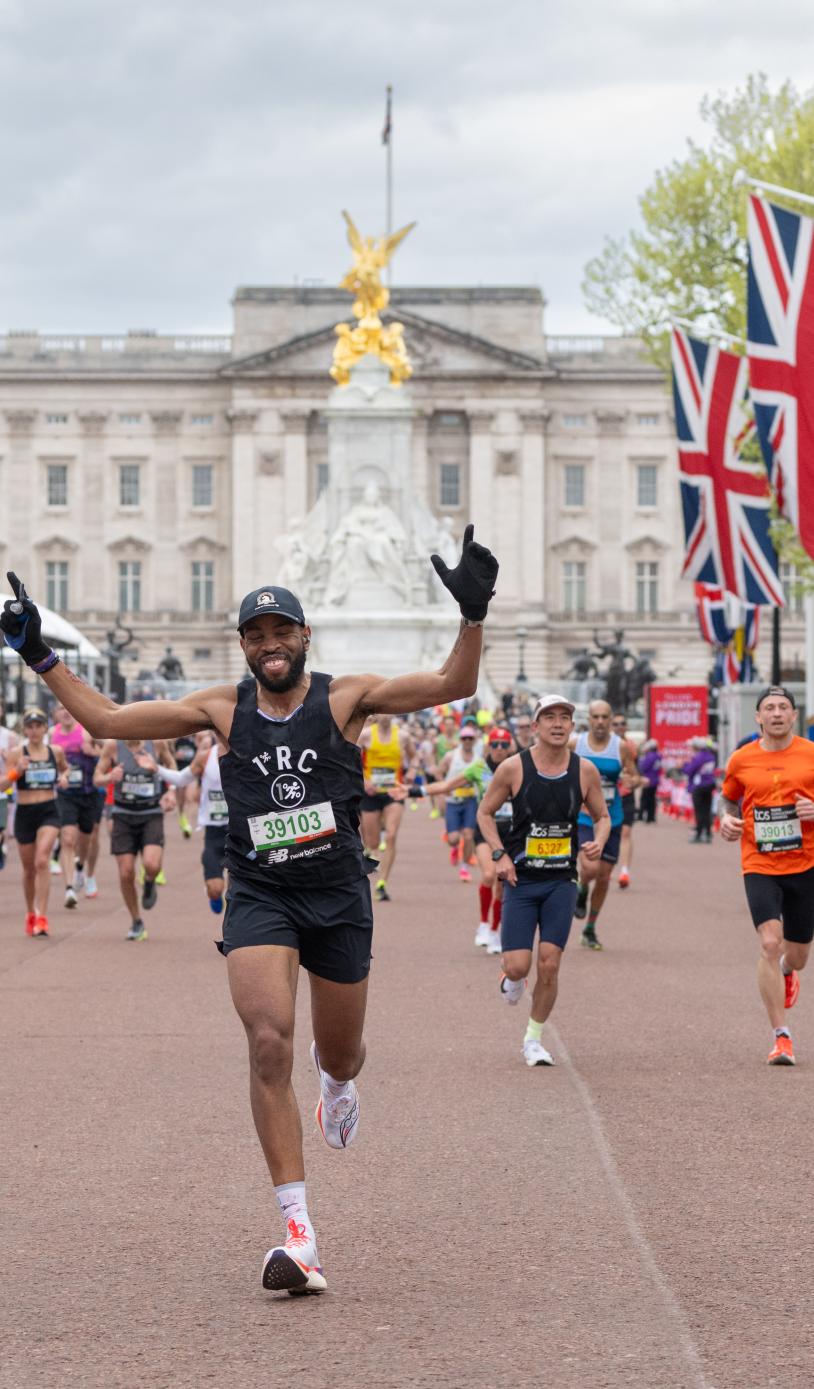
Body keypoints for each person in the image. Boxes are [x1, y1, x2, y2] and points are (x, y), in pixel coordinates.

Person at [1, 525, 498, 1294]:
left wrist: (472, 614)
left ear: (304, 635)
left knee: (341, 1052)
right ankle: (299, 1235)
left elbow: (449, 686)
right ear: (243, 645)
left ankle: (336, 1082)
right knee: (268, 1039)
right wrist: (39, 656)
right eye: (256, 634)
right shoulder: (220, 710)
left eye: (281, 631)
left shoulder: (347, 697)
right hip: (260, 891)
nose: (270, 644)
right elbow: (106, 720)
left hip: (336, 895)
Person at [477, 695, 610, 1065]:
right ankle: (513, 979)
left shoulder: (585, 771)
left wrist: (597, 841)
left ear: (572, 726)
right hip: (521, 880)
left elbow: (602, 816)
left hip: (561, 881)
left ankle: (533, 1039)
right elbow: (485, 813)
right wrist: (499, 854)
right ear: (534, 726)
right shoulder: (513, 768)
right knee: (518, 965)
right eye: (549, 717)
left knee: (549, 963)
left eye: (564, 717)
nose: (557, 723)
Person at [719, 686, 814, 1066]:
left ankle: (789, 972)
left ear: (794, 716)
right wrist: (726, 818)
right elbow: (729, 797)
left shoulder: (811, 754)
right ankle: (781, 1036)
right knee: (769, 943)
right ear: (758, 717)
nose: (776, 714)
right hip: (759, 861)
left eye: (783, 708)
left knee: (797, 954)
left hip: (806, 862)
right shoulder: (741, 759)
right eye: (769, 708)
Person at [422, 724, 516, 952]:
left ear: (510, 747)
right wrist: (415, 791)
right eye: (495, 744)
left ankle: (495, 931)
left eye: (504, 745)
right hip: (485, 830)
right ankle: (483, 924)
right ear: (488, 746)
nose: (500, 749)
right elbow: (447, 785)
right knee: (488, 874)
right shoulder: (479, 767)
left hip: (511, 833)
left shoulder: (517, 767)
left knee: (502, 886)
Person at [93, 737, 178, 941]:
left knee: (151, 865)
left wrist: (171, 792)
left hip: (151, 811)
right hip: (123, 813)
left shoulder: (156, 744)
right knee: (126, 872)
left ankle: (149, 882)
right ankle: (136, 920)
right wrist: (109, 777)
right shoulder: (113, 746)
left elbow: (172, 765)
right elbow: (97, 778)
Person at [571, 699, 639, 950]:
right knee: (589, 868)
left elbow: (634, 774)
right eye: (595, 717)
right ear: (589, 719)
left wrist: (631, 781)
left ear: (611, 720)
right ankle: (580, 889)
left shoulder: (620, 747)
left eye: (604, 717)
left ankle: (590, 928)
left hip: (612, 818)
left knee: (603, 876)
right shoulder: (575, 744)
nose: (600, 722)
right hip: (584, 817)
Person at [0, 707, 69, 935]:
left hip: (48, 810)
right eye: (30, 726)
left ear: (44, 728)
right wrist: (16, 772)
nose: (34, 730)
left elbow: (65, 769)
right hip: (25, 813)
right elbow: (4, 786)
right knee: (29, 869)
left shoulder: (55, 751)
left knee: (42, 860)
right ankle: (30, 912)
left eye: (38, 726)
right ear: (25, 729)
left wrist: (64, 778)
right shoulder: (16, 754)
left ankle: (43, 916)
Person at [159, 731, 227, 913]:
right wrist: (155, 768)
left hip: (242, 833)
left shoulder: (249, 752)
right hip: (215, 832)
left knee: (240, 891)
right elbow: (181, 778)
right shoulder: (206, 756)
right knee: (215, 889)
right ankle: (213, 894)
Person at [49, 703, 102, 908]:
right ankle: (70, 888)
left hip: (89, 794)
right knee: (68, 839)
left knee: (86, 840)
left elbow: (108, 754)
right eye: (61, 708)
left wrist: (92, 752)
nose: (66, 711)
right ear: (56, 714)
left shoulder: (86, 732)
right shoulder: (52, 736)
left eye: (68, 707)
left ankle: (83, 870)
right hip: (66, 794)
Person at [358, 714, 414, 901]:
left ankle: (382, 883)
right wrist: (364, 781)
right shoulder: (366, 735)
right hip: (371, 793)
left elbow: (414, 758)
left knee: (390, 835)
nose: (385, 715)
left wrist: (412, 771)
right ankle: (370, 854)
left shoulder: (403, 736)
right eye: (381, 711)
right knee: (372, 843)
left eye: (388, 711)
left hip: (394, 792)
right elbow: (350, 757)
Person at [437, 722, 481, 881]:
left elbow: (485, 779)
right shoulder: (451, 756)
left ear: (474, 740)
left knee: (469, 835)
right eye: (464, 738)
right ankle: (454, 846)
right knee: (454, 839)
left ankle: (464, 867)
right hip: (453, 801)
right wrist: (444, 787)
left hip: (470, 801)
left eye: (470, 738)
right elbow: (439, 771)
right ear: (460, 740)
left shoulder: (478, 759)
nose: (467, 741)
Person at [611, 712, 638, 888]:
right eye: (616, 724)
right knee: (607, 833)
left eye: (622, 723)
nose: (619, 726)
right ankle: (605, 868)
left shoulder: (632, 746)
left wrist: (636, 781)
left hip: (626, 794)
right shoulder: (604, 746)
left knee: (626, 833)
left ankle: (625, 871)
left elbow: (637, 773)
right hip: (608, 796)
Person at [683, 736, 717, 843]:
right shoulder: (711, 756)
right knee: (707, 810)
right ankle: (707, 833)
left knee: (699, 811)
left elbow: (689, 770)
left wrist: (685, 764)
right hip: (709, 785)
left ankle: (699, 833)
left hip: (699, 786)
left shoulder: (698, 757)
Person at [0, 697, 19, 870]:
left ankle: (2, 844)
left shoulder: (9, 736)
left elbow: (15, 763)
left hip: (4, 785)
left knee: (1, 825)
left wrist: (7, 757)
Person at [637, 739, 662, 823]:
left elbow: (643, 767)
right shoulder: (658, 755)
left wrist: (641, 761)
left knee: (645, 799)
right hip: (655, 779)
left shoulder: (650, 756)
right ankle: (651, 817)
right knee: (652, 799)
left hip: (648, 780)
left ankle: (644, 816)